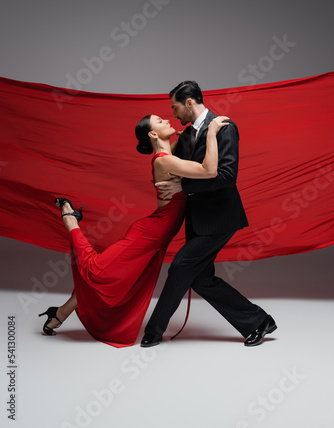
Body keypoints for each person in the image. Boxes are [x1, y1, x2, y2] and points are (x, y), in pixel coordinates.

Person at [38, 113, 229, 347]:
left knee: (118, 280)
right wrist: (211, 132)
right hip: (149, 234)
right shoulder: (163, 160)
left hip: (156, 236)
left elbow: (185, 137)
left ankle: (60, 313)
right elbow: (209, 169)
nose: (168, 121)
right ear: (152, 134)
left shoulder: (169, 153)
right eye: (160, 121)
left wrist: (189, 131)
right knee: (97, 272)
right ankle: (71, 219)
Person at [141, 81, 277, 348]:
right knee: (201, 279)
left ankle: (154, 330)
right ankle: (257, 322)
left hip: (220, 216)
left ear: (189, 103)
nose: (174, 114)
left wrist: (183, 185)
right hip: (197, 217)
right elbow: (177, 166)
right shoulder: (186, 134)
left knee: (180, 266)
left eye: (175, 107)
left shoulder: (224, 127)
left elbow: (227, 176)